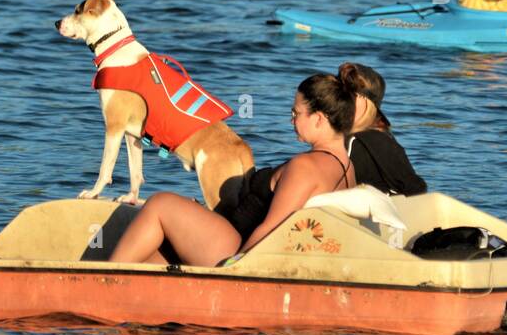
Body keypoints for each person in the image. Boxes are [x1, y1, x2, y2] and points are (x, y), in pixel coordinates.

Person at [108, 73, 358, 267]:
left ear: (320, 118)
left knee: (161, 203)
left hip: (235, 246)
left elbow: (271, 227)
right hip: (231, 236)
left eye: (296, 113)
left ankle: (105, 279)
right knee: (155, 255)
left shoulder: (306, 167)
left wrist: (234, 268)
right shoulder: (346, 167)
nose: (291, 120)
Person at [339, 62, 426, 196]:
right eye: (340, 94)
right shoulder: (383, 137)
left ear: (369, 104)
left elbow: (415, 188)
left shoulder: (360, 141)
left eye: (350, 96)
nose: (342, 101)